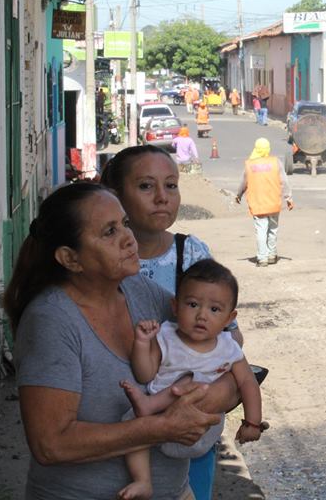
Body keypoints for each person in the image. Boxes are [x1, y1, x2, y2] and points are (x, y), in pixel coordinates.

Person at [3, 182, 240, 499]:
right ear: (70, 258)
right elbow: (51, 444)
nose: (128, 238)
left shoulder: (137, 290)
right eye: (108, 232)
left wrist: (213, 395)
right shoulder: (52, 321)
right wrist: (163, 427)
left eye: (124, 224)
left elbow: (220, 349)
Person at [100, 145, 244, 500]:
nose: (162, 198)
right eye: (146, 187)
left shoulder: (190, 254)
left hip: (185, 424)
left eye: (172, 185)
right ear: (115, 197)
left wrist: (215, 394)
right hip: (115, 422)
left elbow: (228, 340)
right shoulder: (99, 262)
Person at [119, 259, 264, 500]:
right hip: (155, 420)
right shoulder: (165, 335)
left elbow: (248, 383)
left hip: (201, 428)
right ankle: (143, 480)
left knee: (187, 385)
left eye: (214, 309)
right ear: (175, 306)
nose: (202, 316)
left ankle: (149, 407)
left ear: (230, 318)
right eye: (193, 304)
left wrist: (253, 422)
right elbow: (145, 373)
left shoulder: (228, 347)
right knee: (130, 423)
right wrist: (142, 344)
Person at [235, 137, 294, 267]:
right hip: (274, 203)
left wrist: (238, 195)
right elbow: (284, 181)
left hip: (258, 203)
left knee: (261, 230)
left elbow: (243, 182)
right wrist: (288, 198)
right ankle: (272, 255)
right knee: (273, 230)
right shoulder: (276, 162)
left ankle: (262, 258)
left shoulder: (250, 164)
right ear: (268, 149)